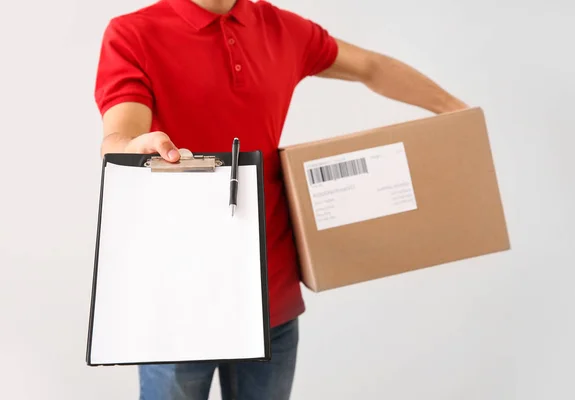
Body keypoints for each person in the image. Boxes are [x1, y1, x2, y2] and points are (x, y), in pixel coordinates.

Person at [94, 0, 467, 398]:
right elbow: (120, 133)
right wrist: (133, 147)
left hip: (270, 291)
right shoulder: (134, 33)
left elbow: (371, 67)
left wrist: (457, 112)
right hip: (176, 296)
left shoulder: (279, 28)